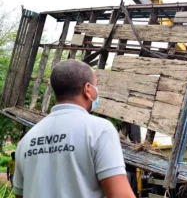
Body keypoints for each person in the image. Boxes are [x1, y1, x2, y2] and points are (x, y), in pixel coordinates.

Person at [13, 59, 136, 198]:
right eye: (96, 86)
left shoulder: (27, 140)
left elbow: (20, 195)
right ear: (87, 89)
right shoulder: (100, 130)